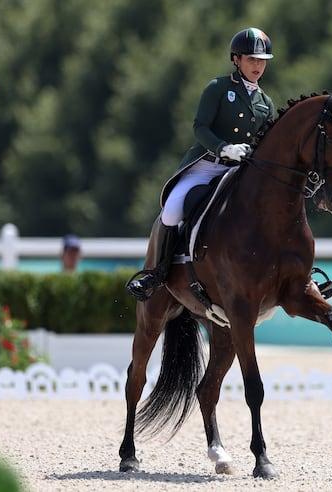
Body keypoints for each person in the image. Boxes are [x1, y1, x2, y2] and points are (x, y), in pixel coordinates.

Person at [126, 27, 276, 301]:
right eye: (252, 59)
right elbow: (200, 127)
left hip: (238, 172)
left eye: (262, 60)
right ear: (236, 59)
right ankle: (157, 274)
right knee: (171, 211)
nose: (257, 66)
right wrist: (223, 147)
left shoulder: (266, 103)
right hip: (208, 164)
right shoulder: (218, 88)